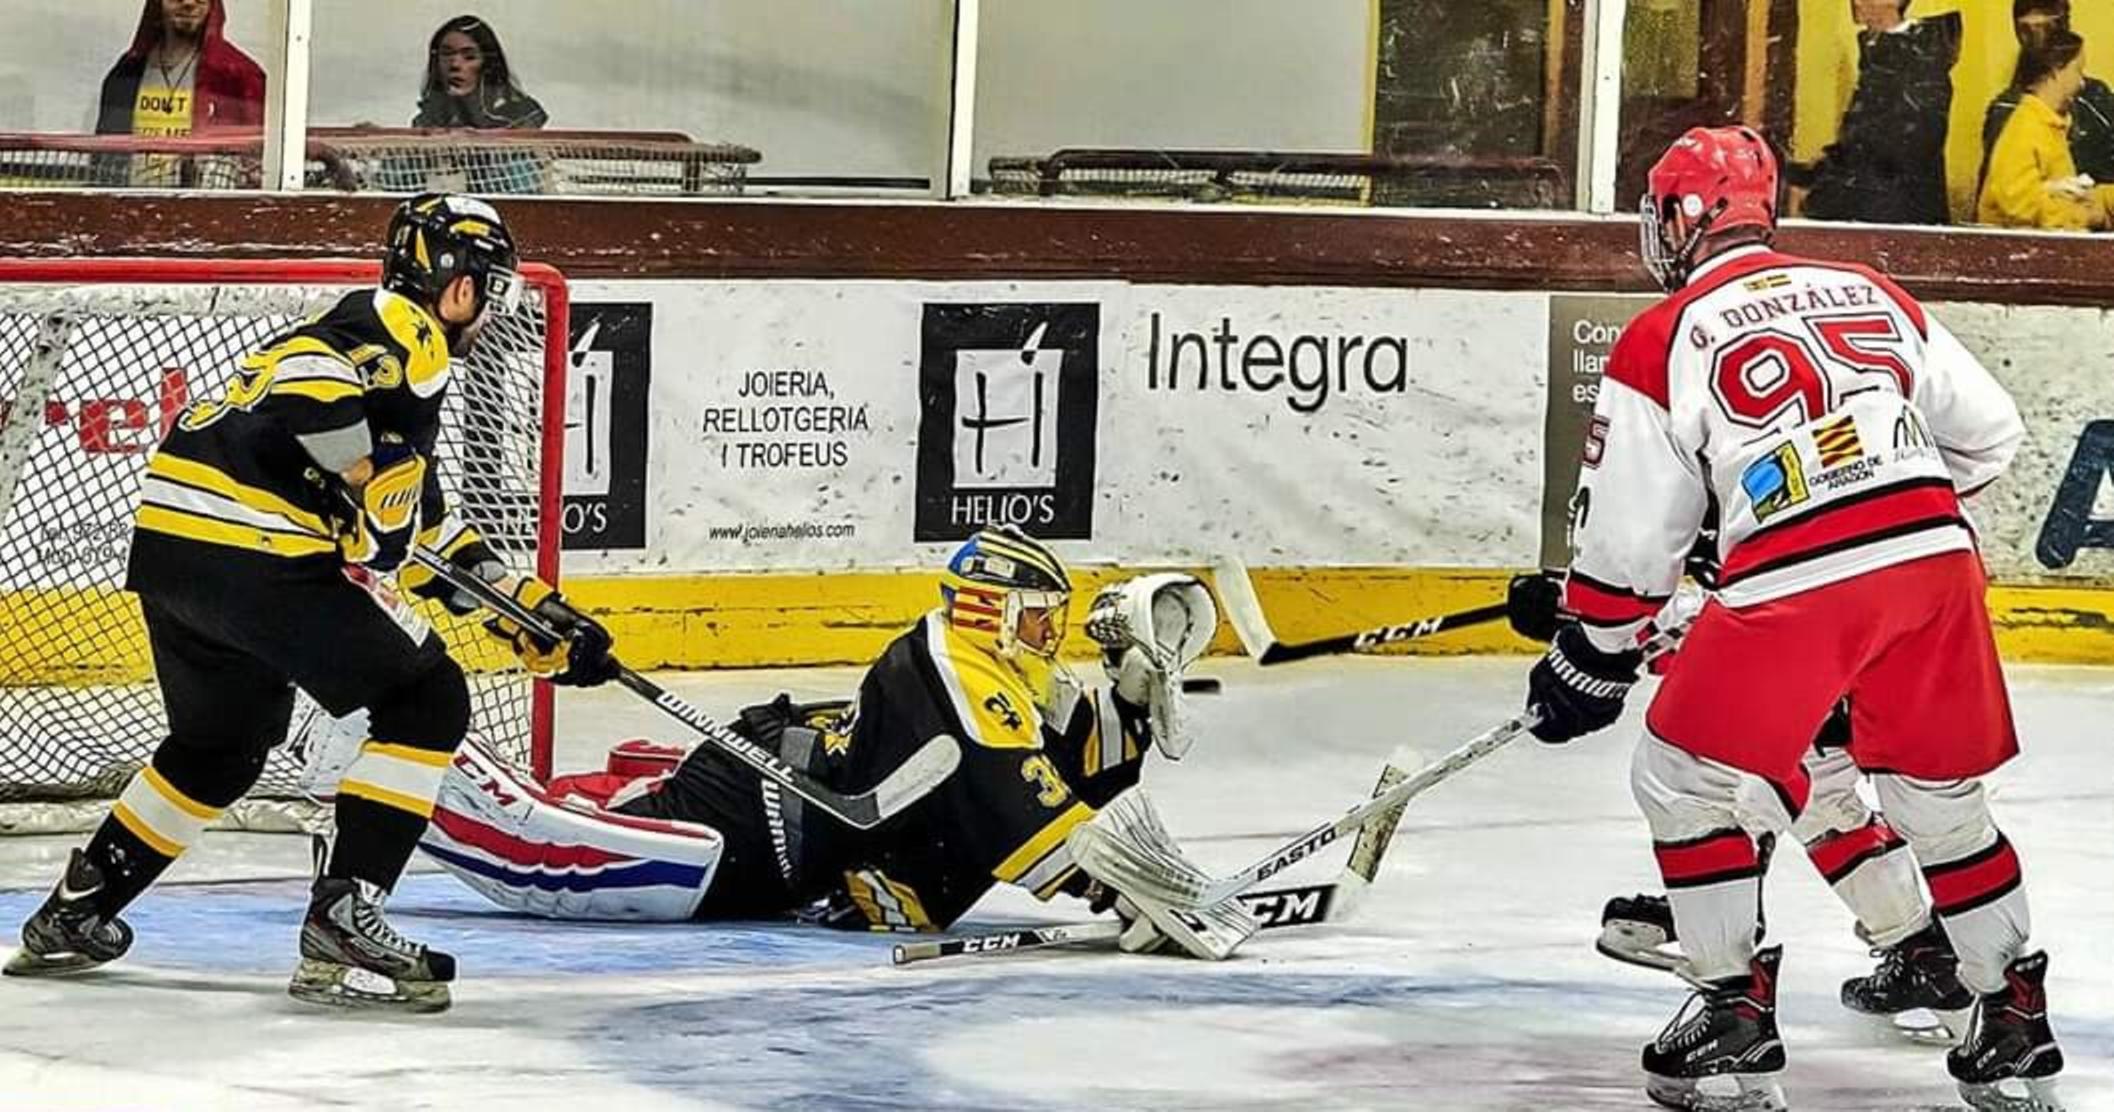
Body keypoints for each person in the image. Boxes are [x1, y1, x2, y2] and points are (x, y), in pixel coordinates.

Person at [1525, 126, 2060, 1112]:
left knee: (1680, 772)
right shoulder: (1871, 289)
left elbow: (1632, 540)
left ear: (1682, 219)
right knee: (1934, 797)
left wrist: (1589, 649)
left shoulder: (1663, 332)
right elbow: (1989, 433)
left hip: (1801, 581)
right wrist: (1879, 501)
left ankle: (1729, 1015)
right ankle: (2012, 1025)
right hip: (1933, 565)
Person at [2, 194, 618, 1015]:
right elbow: (313, 390)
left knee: (220, 748)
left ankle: (79, 910)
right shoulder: (404, 328)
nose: (488, 309)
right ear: (460, 286)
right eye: (489, 287)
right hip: (255, 547)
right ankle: (346, 913)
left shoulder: (376, 359)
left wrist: (532, 614)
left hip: (174, 549)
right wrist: (364, 476)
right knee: (426, 699)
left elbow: (424, 536)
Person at [418, 526, 1243, 957]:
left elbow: (1069, 775)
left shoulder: (994, 675)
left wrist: (1134, 694)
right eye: (1039, 617)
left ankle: (600, 784)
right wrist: (1119, 890)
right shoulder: (952, 668)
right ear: (991, 607)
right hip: (747, 822)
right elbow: (1022, 818)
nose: (1049, 634)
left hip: (783, 838)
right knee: (542, 857)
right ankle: (367, 750)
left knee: (598, 822)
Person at [1509, 555, 1973, 1044]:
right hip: (1869, 637)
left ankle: (1727, 940)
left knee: (1738, 783)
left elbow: (1720, 603)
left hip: (1838, 640)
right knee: (1822, 797)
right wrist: (1580, 615)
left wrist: (1585, 621)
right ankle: (1923, 956)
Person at [1802, 0, 1960, 225]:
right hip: (1878, 216)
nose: (1857, 2)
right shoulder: (1881, 55)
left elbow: (1901, 151)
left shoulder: (1919, 63)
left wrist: (1830, 189)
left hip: (1894, 221)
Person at [93, 0, 266, 187]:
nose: (189, 3)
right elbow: (105, 161)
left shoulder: (236, 75)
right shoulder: (127, 72)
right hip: (132, 206)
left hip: (205, 209)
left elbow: (251, 164)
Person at [1979, 30, 2114, 230]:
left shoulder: (2048, 124)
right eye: (2077, 70)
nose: (2082, 82)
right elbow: (2020, 207)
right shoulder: (2025, 129)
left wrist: (2098, 200)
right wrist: (2085, 215)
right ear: (2055, 72)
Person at [1983, 0, 2114, 188]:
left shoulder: (2096, 98)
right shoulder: (2006, 111)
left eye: (2046, 27)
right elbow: (2000, 198)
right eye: (2028, 30)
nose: (2039, 37)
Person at [413, 15, 547, 130]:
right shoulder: (427, 122)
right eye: (446, 54)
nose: (455, 65)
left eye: (469, 57)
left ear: (487, 63)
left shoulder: (520, 115)